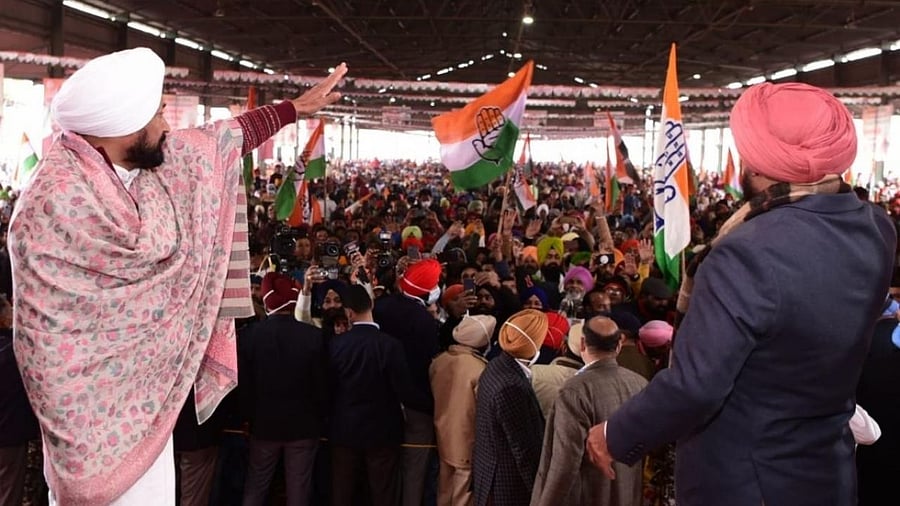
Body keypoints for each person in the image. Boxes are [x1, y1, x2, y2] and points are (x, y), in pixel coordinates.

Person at [8, 46, 346, 505]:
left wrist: (293, 110)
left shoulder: (136, 161)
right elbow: (67, 335)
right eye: (159, 115)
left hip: (151, 421)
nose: (169, 127)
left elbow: (218, 141)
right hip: (89, 431)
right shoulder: (56, 201)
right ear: (120, 126)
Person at [586, 82, 897, 505]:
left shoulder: (745, 253)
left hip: (747, 483)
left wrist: (614, 433)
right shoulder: (875, 229)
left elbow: (697, 385)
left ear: (759, 157)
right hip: (830, 474)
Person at [328, 285, 430, 506]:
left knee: (342, 492)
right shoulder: (390, 345)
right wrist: (430, 407)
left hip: (343, 429)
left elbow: (328, 387)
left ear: (348, 312)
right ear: (371, 305)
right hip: (383, 431)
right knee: (383, 491)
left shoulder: (336, 344)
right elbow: (405, 391)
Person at [531, 316, 646, 506]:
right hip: (628, 494)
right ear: (619, 345)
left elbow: (564, 462)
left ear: (582, 344)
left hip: (587, 496)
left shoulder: (575, 390)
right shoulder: (640, 384)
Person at [238, 272, 328, 506]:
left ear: (266, 301)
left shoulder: (250, 336)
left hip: (263, 425)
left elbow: (245, 385)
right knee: (299, 491)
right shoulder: (313, 336)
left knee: (256, 486)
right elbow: (321, 385)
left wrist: (247, 418)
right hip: (304, 426)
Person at [373, 258, 442, 506]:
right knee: (414, 468)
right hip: (416, 403)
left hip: (381, 400)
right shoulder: (424, 321)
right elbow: (429, 364)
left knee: (384, 466)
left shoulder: (380, 307)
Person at [472, 309, 547, 506]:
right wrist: (541, 495)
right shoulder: (511, 386)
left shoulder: (496, 365)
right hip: (507, 486)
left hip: (489, 477)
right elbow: (524, 449)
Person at [429, 314, 496, 506]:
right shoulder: (480, 369)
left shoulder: (439, 361)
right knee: (463, 495)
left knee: (444, 489)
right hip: (467, 439)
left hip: (441, 434)